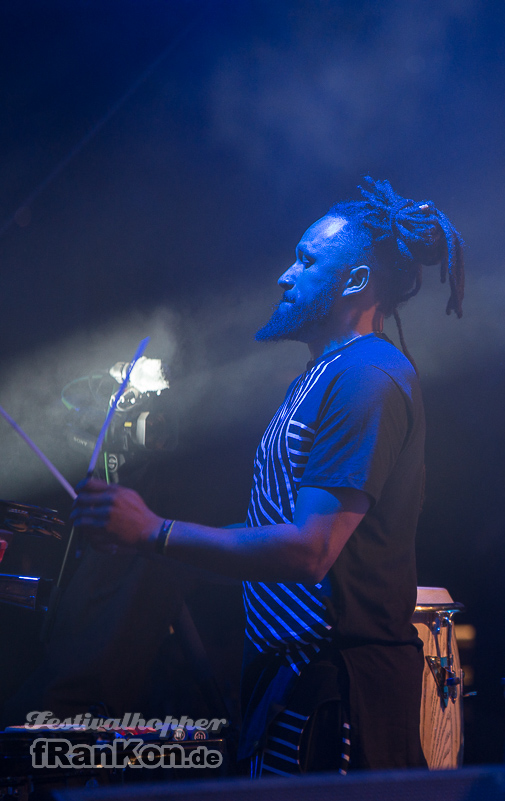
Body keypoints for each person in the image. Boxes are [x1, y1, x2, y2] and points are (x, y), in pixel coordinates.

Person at [71, 177, 465, 775]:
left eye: (307, 261)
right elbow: (276, 538)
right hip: (297, 684)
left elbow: (309, 551)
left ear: (356, 282)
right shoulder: (323, 375)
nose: (286, 274)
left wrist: (155, 532)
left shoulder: (368, 377)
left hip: (340, 693)